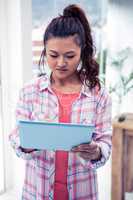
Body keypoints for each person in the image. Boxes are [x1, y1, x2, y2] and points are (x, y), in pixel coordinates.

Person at [9, 4, 112, 200]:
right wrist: (29, 143)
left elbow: (105, 144)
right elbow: (15, 138)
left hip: (82, 192)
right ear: (45, 51)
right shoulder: (30, 92)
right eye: (53, 55)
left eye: (70, 56)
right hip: (36, 193)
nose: (61, 63)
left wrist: (96, 151)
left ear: (82, 51)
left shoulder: (99, 95)